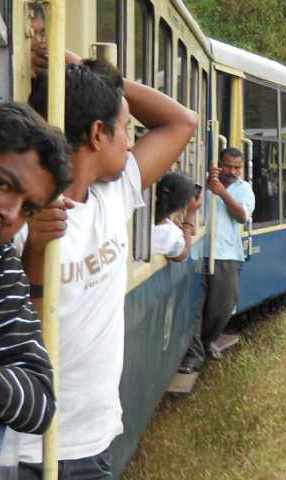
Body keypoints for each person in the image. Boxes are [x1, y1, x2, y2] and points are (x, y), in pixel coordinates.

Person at [19, 54, 197, 478]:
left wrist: (92, 75)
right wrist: (37, 249)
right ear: (98, 134)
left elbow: (182, 122)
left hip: (93, 437)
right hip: (29, 448)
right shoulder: (24, 215)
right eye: (125, 130)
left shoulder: (112, 195)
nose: (130, 142)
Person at [0, 102, 72, 440]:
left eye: (28, 209)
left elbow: (41, 402)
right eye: (4, 185)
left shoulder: (3, 268)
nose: (10, 214)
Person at [179, 148, 254, 373]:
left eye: (236, 168)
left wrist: (222, 193)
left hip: (227, 254)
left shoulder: (244, 189)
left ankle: (206, 341)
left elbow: (242, 216)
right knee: (195, 307)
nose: (232, 171)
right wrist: (208, 185)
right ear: (218, 164)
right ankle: (194, 355)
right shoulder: (203, 185)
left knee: (221, 307)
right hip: (198, 252)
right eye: (228, 166)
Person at [151, 172, 201, 261]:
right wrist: (190, 215)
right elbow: (183, 256)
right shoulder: (170, 234)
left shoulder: (141, 215)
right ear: (184, 205)